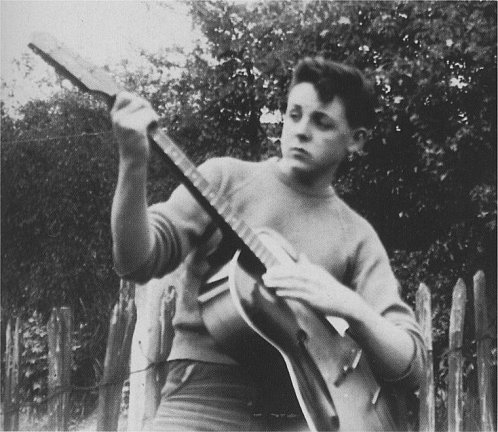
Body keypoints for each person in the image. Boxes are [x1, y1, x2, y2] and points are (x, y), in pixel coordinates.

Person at [110, 57, 426, 431]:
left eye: (322, 122)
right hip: (198, 402)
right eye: (294, 115)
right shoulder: (223, 179)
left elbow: (411, 365)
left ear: (355, 139)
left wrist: (351, 306)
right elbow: (136, 262)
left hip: (300, 413)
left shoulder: (357, 235)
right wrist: (133, 163)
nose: (301, 131)